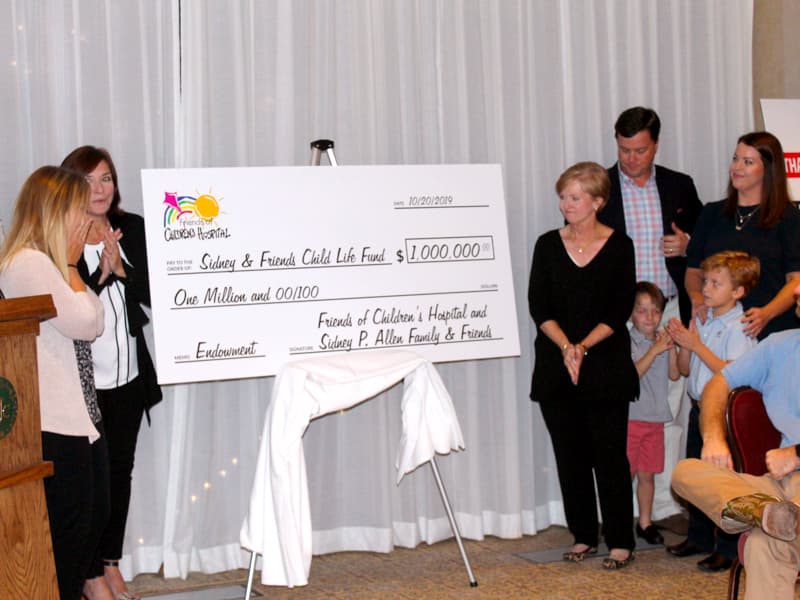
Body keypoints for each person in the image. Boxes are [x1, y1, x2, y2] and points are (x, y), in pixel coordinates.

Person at [60, 145, 162, 600]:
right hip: (85, 382)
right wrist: (102, 275)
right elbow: (73, 309)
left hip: (130, 375)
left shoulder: (133, 227)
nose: (100, 189)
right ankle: (88, 574)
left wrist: (122, 270)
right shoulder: (63, 234)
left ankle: (111, 565)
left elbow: (156, 296)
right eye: (89, 181)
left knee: (121, 474)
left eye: (106, 178)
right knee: (90, 484)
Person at [0, 166, 106, 600]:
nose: (86, 220)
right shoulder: (27, 263)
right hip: (51, 422)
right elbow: (85, 320)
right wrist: (68, 262)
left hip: (78, 416)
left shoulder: (50, 263)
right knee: (69, 533)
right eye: (79, 210)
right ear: (54, 211)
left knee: (92, 521)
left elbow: (95, 317)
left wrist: (70, 266)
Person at [529, 161, 639, 569]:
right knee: (569, 455)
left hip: (605, 364)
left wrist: (583, 347)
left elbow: (618, 307)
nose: (566, 204)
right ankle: (583, 535)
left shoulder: (619, 245)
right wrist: (566, 347)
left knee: (609, 456)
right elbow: (538, 304)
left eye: (574, 197)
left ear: (598, 201)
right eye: (563, 196)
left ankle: (621, 540)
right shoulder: (546, 243)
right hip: (557, 364)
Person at [600, 106, 703, 521]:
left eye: (639, 150)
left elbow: (706, 248)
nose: (630, 159)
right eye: (624, 149)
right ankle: (617, 509)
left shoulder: (680, 186)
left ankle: (660, 506)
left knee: (670, 406)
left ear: (655, 145)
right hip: (619, 315)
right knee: (618, 410)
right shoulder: (601, 186)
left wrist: (688, 246)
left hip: (669, 309)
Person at [671, 281, 800, 600]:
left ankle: (770, 516)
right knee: (686, 472)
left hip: (792, 477)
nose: (795, 293)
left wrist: (797, 454)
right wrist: (714, 436)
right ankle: (766, 513)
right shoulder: (780, 346)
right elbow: (719, 382)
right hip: (778, 487)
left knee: (762, 544)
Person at [665, 251, 760, 571]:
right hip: (697, 408)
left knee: (726, 481)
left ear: (738, 292)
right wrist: (682, 344)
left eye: (716, 283)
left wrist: (696, 347)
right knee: (697, 476)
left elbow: (734, 371)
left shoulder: (740, 326)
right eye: (705, 281)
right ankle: (700, 537)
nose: (706, 288)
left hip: (724, 414)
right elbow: (686, 369)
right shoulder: (704, 318)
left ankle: (731, 548)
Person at [685, 131, 800, 340]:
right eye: (735, 159)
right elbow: (693, 271)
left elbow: (795, 280)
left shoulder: (788, 217)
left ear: (768, 169)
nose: (737, 167)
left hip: (771, 330)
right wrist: (697, 298)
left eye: (747, 162)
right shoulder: (711, 213)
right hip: (718, 331)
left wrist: (767, 313)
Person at [628, 282, 679, 546]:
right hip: (631, 419)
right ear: (631, 314)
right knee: (626, 473)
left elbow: (674, 374)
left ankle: (645, 522)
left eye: (655, 311)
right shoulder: (627, 341)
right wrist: (655, 350)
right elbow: (631, 376)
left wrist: (669, 349)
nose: (650, 317)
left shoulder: (660, 340)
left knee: (648, 474)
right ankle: (619, 521)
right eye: (642, 311)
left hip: (656, 419)